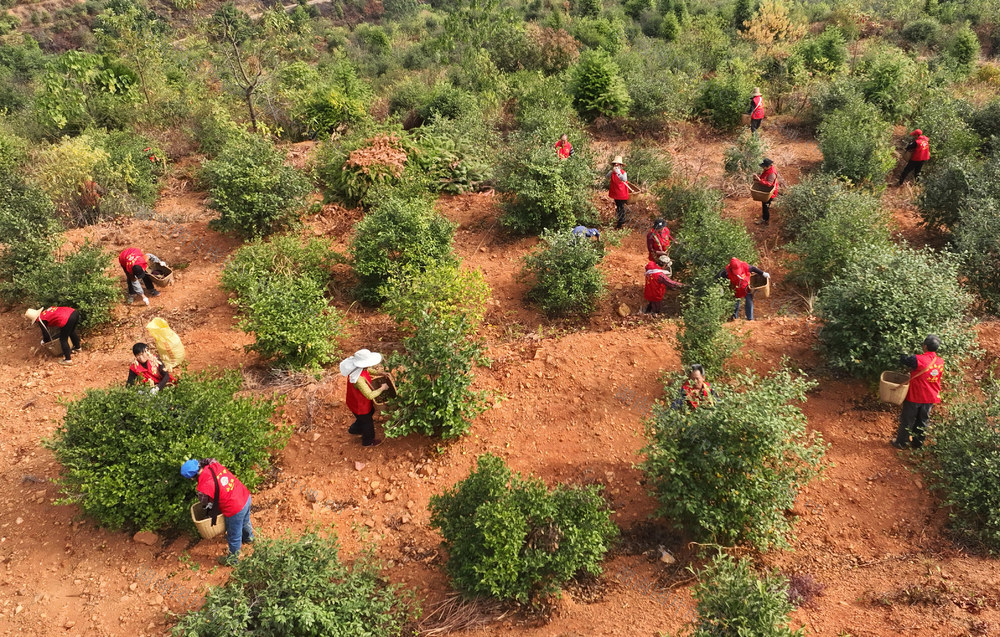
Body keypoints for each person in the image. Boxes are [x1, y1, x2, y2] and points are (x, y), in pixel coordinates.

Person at [180, 458, 254, 565]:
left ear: (192, 478)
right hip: (244, 495)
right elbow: (210, 460)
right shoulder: (214, 465)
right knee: (245, 521)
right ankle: (249, 538)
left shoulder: (202, 489)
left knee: (234, 535)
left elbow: (206, 504)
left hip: (234, 508)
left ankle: (233, 560)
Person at [892, 334, 944, 450]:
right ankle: (917, 444)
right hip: (930, 396)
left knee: (907, 419)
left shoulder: (918, 359)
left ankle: (901, 442)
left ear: (925, 346)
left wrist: (901, 350)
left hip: (915, 396)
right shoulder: (940, 361)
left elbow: (904, 360)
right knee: (923, 420)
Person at [340, 349, 387, 447]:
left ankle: (355, 429)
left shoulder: (357, 368)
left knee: (369, 413)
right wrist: (382, 389)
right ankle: (368, 441)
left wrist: (379, 373)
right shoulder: (359, 379)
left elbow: (368, 370)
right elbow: (369, 395)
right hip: (359, 405)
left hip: (354, 400)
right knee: (367, 423)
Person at [608, 156, 637, 229]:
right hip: (615, 193)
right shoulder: (612, 173)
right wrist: (612, 171)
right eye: (615, 164)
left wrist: (618, 172)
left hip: (621, 193)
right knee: (618, 207)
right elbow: (607, 176)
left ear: (621, 166)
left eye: (617, 165)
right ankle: (620, 221)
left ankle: (621, 222)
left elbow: (624, 179)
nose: (616, 166)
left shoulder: (623, 173)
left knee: (621, 208)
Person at [754, 158, 778, 226]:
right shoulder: (767, 169)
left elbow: (769, 184)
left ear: (768, 166)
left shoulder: (772, 173)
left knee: (766, 206)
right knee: (764, 204)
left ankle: (765, 220)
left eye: (764, 166)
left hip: (770, 192)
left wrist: (759, 180)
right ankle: (765, 218)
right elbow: (764, 177)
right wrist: (758, 178)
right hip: (767, 190)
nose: (763, 168)